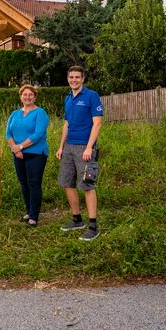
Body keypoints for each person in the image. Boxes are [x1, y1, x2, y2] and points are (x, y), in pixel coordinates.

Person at [56, 66, 104, 241]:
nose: (74, 80)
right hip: (68, 147)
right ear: (68, 79)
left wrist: (90, 147)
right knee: (67, 183)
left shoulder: (92, 96)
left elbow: (97, 123)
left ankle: (93, 226)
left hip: (85, 147)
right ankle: (77, 220)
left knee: (87, 185)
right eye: (71, 77)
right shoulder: (68, 98)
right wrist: (61, 146)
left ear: (83, 78)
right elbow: (66, 124)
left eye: (77, 77)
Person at [6, 84, 50, 227]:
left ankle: (34, 216)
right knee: (24, 184)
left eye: (30, 94)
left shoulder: (40, 113)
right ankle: (28, 211)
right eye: (25, 94)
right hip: (18, 154)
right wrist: (15, 149)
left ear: (35, 97)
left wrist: (20, 146)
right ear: (21, 97)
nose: (27, 97)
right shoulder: (14, 114)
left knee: (34, 184)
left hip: (36, 154)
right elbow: (8, 134)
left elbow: (38, 134)